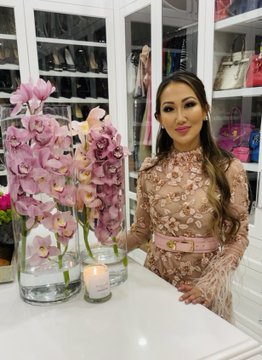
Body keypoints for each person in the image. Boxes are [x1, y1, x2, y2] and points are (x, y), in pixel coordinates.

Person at [125, 71, 249, 322]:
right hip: (156, 282)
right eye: (169, 109)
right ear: (159, 118)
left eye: (189, 105)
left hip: (202, 289)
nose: (180, 118)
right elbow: (140, 231)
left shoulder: (229, 168)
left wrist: (210, 286)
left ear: (205, 110)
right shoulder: (151, 169)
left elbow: (238, 237)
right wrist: (101, 248)